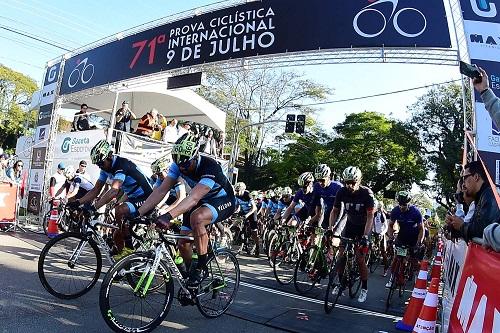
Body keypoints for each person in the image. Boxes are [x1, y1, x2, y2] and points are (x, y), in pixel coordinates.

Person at [136, 134, 236, 287]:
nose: (182, 168)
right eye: (179, 164)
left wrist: (168, 216)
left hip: (224, 200)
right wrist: (139, 213)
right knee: (182, 243)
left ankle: (202, 268)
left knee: (198, 217)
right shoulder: (178, 164)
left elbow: (193, 198)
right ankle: (191, 277)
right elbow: (161, 190)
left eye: (186, 164)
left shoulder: (210, 167)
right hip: (202, 200)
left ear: (195, 156)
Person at [70, 140, 154, 259]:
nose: (100, 166)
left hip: (147, 198)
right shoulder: (105, 169)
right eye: (98, 164)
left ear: (109, 156)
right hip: (133, 198)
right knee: (116, 235)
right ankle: (123, 266)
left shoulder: (121, 165)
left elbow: (114, 190)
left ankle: (129, 249)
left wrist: (94, 208)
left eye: (101, 163)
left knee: (119, 210)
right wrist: (77, 202)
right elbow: (96, 190)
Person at [329, 166, 375, 303]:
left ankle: (364, 288)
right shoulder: (342, 191)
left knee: (360, 259)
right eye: (347, 182)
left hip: (364, 227)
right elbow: (334, 211)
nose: (349, 186)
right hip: (350, 225)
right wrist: (331, 228)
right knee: (342, 256)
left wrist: (366, 236)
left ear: (359, 181)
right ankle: (341, 283)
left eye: (353, 183)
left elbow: (370, 216)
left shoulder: (367, 194)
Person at [446, 161, 499, 242]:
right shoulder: (480, 198)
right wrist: (454, 225)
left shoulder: (490, 195)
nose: (463, 184)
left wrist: (461, 226)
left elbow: (483, 231)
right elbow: (474, 228)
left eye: (465, 178)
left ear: (476, 177)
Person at [385, 191, 425, 288]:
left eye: (404, 204)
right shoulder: (395, 211)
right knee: (396, 258)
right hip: (402, 236)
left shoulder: (416, 212)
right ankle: (392, 278)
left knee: (413, 259)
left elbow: (421, 229)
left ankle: (415, 274)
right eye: (400, 204)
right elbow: (390, 226)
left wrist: (418, 242)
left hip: (414, 237)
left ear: (408, 203)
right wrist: (390, 237)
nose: (402, 207)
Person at [310, 164, 343, 229]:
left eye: (322, 180)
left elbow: (342, 210)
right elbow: (316, 205)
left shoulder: (338, 187)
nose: (320, 183)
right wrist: (309, 219)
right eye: (318, 180)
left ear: (329, 177)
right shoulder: (317, 186)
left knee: (334, 236)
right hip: (328, 212)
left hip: (340, 213)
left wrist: (333, 226)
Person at [234, 182, 259, 256]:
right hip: (243, 211)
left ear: (243, 190)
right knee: (238, 226)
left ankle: (257, 247)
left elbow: (254, 207)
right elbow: (236, 206)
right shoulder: (236, 195)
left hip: (251, 212)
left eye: (238, 191)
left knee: (254, 231)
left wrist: (247, 215)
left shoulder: (248, 194)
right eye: (236, 190)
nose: (237, 192)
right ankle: (242, 242)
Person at [372, 201, 389, 276]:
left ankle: (385, 269)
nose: (378, 209)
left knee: (383, 252)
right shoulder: (373, 214)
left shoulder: (383, 215)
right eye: (377, 207)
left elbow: (386, 227)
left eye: (380, 207)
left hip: (381, 235)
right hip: (374, 233)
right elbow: (371, 223)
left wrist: (382, 234)